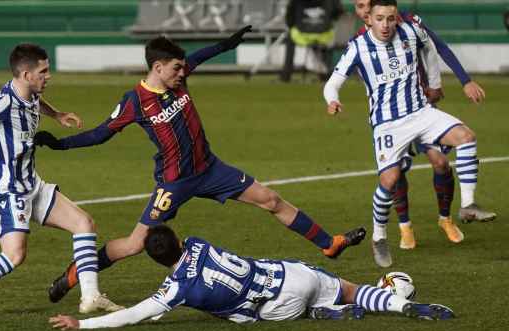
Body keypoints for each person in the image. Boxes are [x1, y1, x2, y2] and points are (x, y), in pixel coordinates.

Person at [36, 27, 365, 306]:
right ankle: (73, 274)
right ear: (159, 67)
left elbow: (201, 56)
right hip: (173, 183)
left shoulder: (177, 79)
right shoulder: (135, 101)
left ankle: (328, 244)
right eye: (177, 68)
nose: (184, 72)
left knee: (271, 200)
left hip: (210, 169)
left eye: (183, 68)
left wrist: (227, 45)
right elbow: (99, 134)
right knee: (136, 244)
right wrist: (59, 144)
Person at [0, 43, 122, 320]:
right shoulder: (2, 102)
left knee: (84, 224)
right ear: (27, 74)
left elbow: (35, 103)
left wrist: (56, 115)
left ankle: (91, 297)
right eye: (44, 71)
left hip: (32, 184)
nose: (48, 76)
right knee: (14, 256)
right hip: (8, 190)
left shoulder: (30, 93)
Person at [323, 0, 492, 268]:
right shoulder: (358, 47)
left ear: (396, 17)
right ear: (370, 18)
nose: (386, 25)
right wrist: (332, 100)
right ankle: (379, 236)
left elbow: (432, 49)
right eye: (380, 19)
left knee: (466, 137)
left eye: (391, 18)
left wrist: (435, 84)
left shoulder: (412, 30)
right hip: (387, 124)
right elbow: (332, 83)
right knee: (389, 180)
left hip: (421, 113)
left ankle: (467, 205)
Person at [48, 224, 454, 330]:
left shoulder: (176, 288)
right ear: (177, 239)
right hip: (291, 275)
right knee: (353, 290)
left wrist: (81, 323)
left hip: (273, 310)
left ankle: (320, 315)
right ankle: (404, 305)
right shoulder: (199, 243)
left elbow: (132, 314)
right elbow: (170, 238)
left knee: (266, 314)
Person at [280, 0, 344, 82]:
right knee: (326, 43)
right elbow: (339, 11)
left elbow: (289, 15)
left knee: (290, 37)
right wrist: (327, 20)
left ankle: (286, 74)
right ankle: (326, 72)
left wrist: (294, 24)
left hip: (302, 35)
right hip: (324, 34)